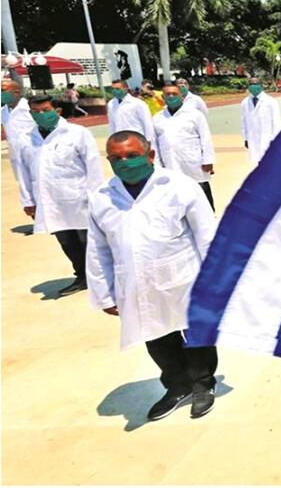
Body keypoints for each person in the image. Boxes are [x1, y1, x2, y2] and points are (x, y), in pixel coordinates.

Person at [86, 130, 220, 420]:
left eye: (132, 156)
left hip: (184, 276)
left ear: (150, 155)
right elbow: (98, 251)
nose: (125, 163)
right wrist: (104, 294)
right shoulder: (101, 197)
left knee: (194, 333)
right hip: (135, 281)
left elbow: (207, 234)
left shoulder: (179, 186)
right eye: (117, 158)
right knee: (155, 335)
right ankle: (177, 385)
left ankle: (203, 384)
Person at [13, 95, 104, 296]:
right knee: (66, 241)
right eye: (35, 112)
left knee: (89, 240)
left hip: (79, 198)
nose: (40, 115)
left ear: (58, 111)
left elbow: (93, 167)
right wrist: (28, 200)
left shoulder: (77, 133)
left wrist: (97, 197)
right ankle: (82, 276)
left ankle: (101, 277)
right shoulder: (25, 138)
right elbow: (23, 172)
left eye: (45, 110)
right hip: (49, 200)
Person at [154, 83, 217, 210]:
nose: (171, 97)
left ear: (182, 97)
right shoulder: (157, 118)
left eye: (174, 94)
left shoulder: (194, 115)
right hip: (169, 162)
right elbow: (154, 144)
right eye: (168, 94)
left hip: (193, 161)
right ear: (163, 98)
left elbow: (205, 138)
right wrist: (157, 164)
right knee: (175, 192)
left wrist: (208, 160)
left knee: (200, 190)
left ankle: (210, 217)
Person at [240, 77, 281, 165]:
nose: (254, 86)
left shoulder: (271, 101)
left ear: (261, 86)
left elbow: (276, 122)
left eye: (256, 84)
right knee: (258, 162)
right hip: (253, 138)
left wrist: (275, 139)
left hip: (268, 137)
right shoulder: (245, 103)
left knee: (269, 162)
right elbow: (244, 122)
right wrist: (246, 139)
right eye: (251, 84)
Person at [107, 79, 156, 148]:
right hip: (119, 141)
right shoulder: (111, 104)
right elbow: (111, 124)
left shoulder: (137, 103)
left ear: (125, 89)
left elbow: (147, 123)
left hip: (137, 140)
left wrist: (149, 140)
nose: (115, 91)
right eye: (113, 89)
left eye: (117, 89)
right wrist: (111, 139)